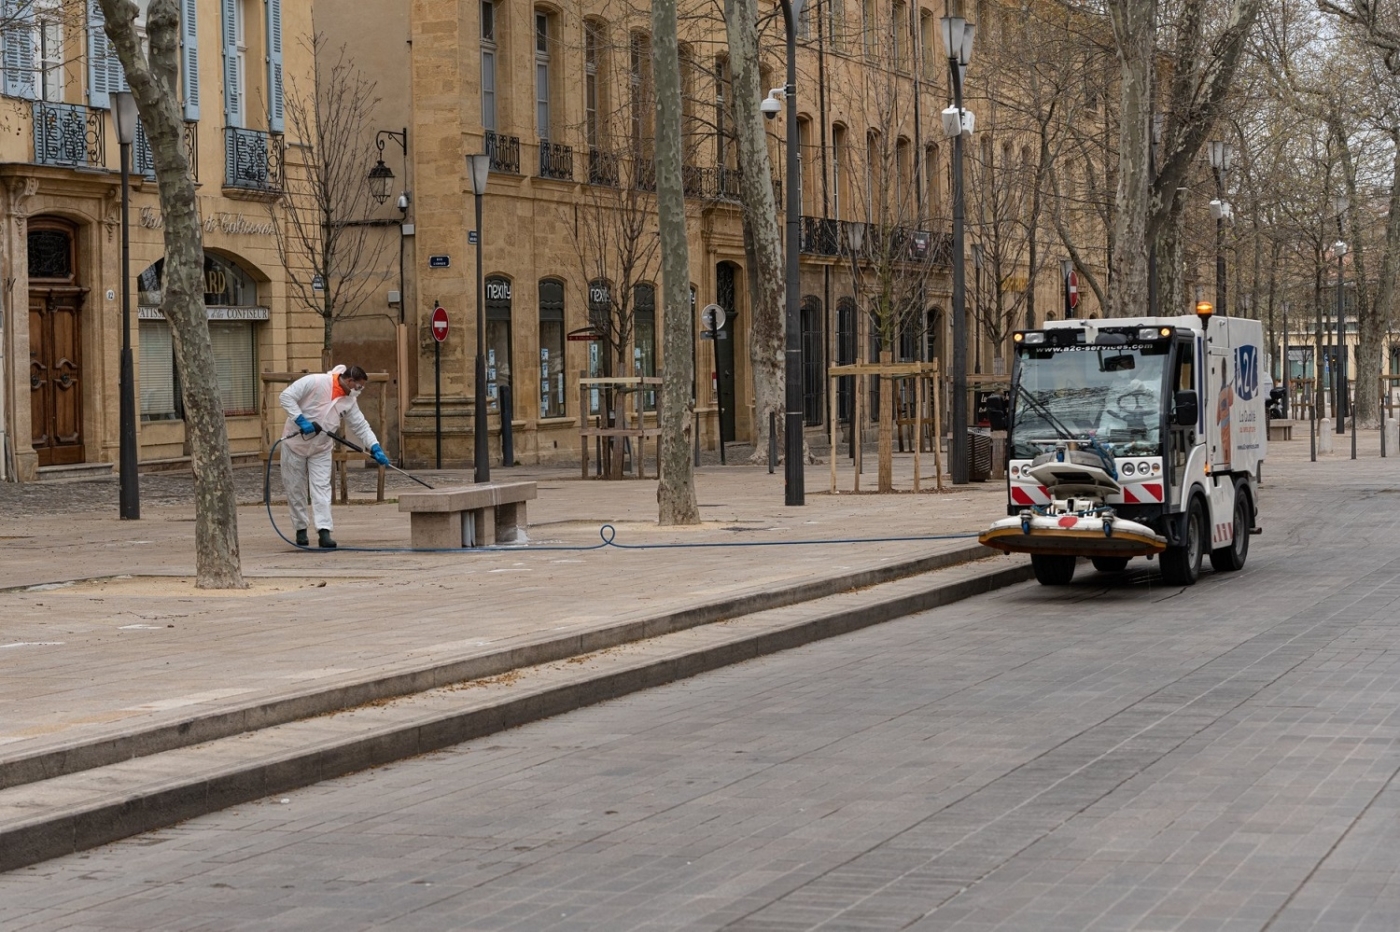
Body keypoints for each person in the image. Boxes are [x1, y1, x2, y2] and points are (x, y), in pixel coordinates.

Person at [279, 364, 391, 548]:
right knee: (295, 488)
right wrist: (301, 420)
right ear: (349, 381)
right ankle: (300, 529)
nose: (359, 390)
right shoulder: (315, 382)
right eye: (359, 386)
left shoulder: (349, 401)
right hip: (295, 444)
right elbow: (286, 396)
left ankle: (324, 531)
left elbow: (360, 426)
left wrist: (375, 446)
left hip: (321, 447)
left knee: (322, 487)